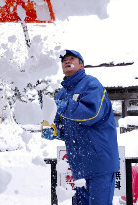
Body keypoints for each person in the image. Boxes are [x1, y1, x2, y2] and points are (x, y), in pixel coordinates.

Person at [42, 49, 119, 205]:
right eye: (64, 60)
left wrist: (64, 107)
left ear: (82, 65)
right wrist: (55, 131)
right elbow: (65, 127)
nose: (67, 61)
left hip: (99, 163)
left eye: (72, 58)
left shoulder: (92, 84)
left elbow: (91, 114)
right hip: (79, 166)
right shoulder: (62, 93)